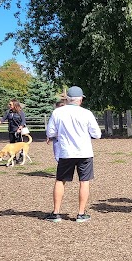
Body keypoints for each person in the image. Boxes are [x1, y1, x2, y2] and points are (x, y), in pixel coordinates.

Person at [44, 86, 102, 222]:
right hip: (84, 152)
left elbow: (50, 132)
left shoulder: (58, 112)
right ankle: (81, 213)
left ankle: (56, 213)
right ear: (80, 99)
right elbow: (97, 134)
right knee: (84, 181)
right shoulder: (87, 113)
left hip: (66, 152)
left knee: (60, 181)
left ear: (67, 99)